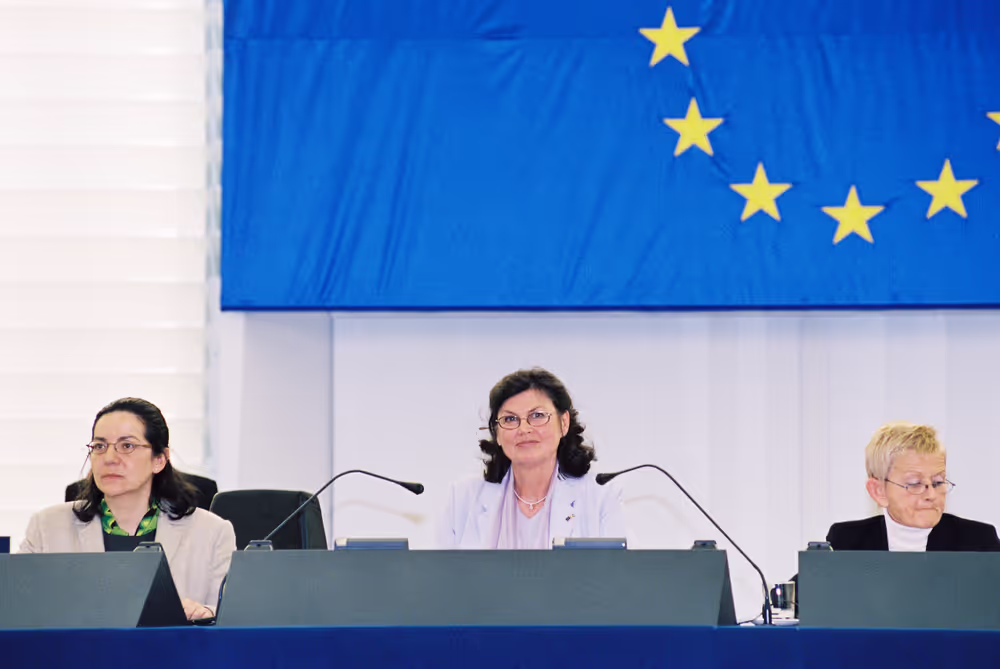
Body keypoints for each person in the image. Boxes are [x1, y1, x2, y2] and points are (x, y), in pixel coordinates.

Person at [19, 398, 236, 619]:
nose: (110, 458)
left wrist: (205, 612)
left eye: (127, 446)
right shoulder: (46, 527)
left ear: (159, 460)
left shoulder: (212, 532)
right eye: (100, 446)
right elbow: (16, 608)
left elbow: (233, 617)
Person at [438, 368, 626, 549]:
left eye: (537, 416)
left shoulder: (601, 498)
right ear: (497, 433)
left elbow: (624, 574)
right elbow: (438, 575)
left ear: (564, 423)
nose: (524, 429)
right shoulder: (463, 498)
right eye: (510, 419)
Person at [826, 421, 1000, 551]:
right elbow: (805, 596)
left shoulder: (978, 541)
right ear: (878, 491)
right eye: (915, 484)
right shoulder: (846, 542)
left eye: (938, 482)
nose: (931, 495)